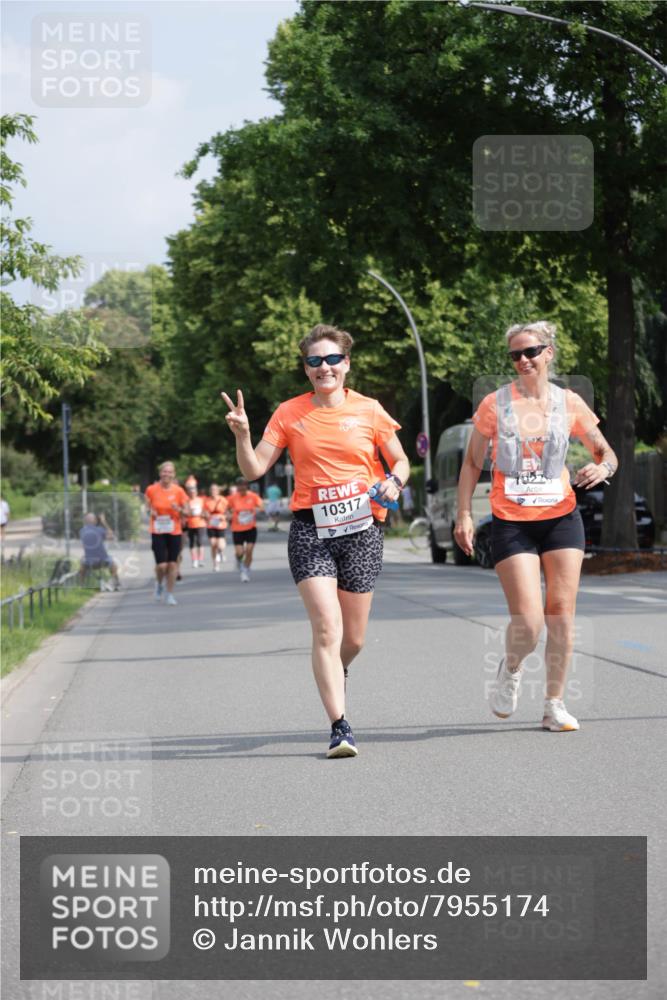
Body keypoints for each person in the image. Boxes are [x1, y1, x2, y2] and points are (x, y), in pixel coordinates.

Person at [222, 323, 409, 758]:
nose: (323, 367)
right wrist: (243, 436)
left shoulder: (369, 410)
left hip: (364, 529)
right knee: (327, 626)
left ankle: (337, 669)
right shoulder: (289, 413)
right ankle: (340, 727)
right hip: (311, 529)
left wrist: (395, 482)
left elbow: (400, 459)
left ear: (345, 363)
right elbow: (254, 470)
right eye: (314, 361)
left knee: (354, 639)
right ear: (306, 369)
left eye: (331, 360)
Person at [454, 321, 618, 732]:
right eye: (515, 355)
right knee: (529, 621)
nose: (523, 360)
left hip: (561, 516)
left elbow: (607, 453)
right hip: (512, 520)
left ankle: (554, 704)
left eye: (531, 352)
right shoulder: (496, 404)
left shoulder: (570, 403)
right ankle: (510, 668)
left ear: (549, 353)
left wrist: (603, 468)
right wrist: (464, 514)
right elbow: (473, 462)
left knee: (561, 614)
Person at [144, 462, 189, 606]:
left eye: (170, 472)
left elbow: (187, 511)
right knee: (161, 566)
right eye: (164, 471)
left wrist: (179, 509)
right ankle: (159, 584)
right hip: (157, 530)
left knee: (172, 564)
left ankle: (169, 594)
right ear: (160, 473)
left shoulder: (179, 491)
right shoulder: (151, 489)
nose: (167, 474)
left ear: (173, 474)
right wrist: (150, 511)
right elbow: (146, 507)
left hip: (174, 531)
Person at [226, 477, 264, 582]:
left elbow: (261, 507)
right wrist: (228, 515)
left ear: (246, 485)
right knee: (239, 552)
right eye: (239, 485)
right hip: (237, 528)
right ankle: (239, 560)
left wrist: (256, 509)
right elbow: (227, 509)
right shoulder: (232, 498)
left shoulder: (253, 496)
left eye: (243, 485)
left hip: (251, 528)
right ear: (237, 487)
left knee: (249, 550)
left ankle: (245, 570)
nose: (241, 487)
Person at [79, 512, 120, 589]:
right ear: (95, 521)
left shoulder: (82, 531)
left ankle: (81, 585)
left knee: (81, 564)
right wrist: (104, 522)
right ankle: (116, 583)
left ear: (85, 521)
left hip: (88, 562)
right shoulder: (100, 530)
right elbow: (111, 536)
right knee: (114, 565)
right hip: (103, 560)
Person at [204, 483, 229, 570]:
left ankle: (221, 552)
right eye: (211, 490)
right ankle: (215, 563)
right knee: (213, 544)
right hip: (211, 525)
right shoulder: (207, 501)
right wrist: (205, 515)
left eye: (214, 489)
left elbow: (228, 512)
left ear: (218, 491)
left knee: (220, 545)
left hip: (221, 525)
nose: (213, 491)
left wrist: (224, 517)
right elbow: (204, 512)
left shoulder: (223, 500)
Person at [184, 482, 207, 568]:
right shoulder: (187, 501)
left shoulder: (201, 500)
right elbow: (185, 512)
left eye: (194, 492)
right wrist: (190, 512)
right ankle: (194, 560)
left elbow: (206, 511)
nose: (192, 494)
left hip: (201, 524)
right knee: (192, 543)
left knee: (200, 542)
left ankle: (201, 559)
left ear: (196, 493)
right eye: (190, 492)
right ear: (189, 493)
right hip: (190, 524)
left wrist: (203, 514)